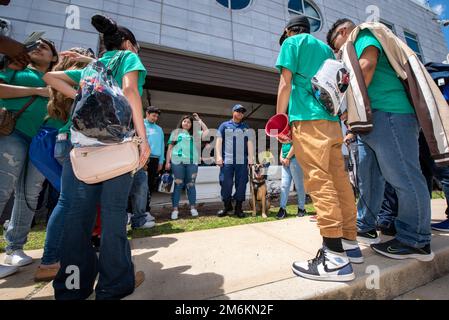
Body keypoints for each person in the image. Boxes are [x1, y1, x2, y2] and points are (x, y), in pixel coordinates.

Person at [43, 14, 150, 300]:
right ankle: (113, 286)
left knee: (78, 219)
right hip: (116, 147)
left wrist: (80, 92)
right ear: (128, 43)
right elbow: (129, 91)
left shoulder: (93, 69)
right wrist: (143, 138)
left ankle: (72, 288)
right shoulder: (130, 58)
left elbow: (49, 76)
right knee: (114, 216)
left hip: (83, 148)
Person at [328, 19, 434, 261]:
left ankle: (416, 239)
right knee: (369, 178)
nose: (338, 53)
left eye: (337, 46)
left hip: (391, 114)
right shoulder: (354, 40)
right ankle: (365, 225)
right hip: (369, 120)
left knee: (404, 176)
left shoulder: (362, 33)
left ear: (343, 32)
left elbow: (366, 66)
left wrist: (340, 99)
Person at [276, 16, 361, 282]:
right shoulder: (326, 49)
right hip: (332, 123)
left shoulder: (292, 43)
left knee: (319, 181)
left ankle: (334, 257)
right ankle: (349, 243)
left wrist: (280, 120)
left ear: (289, 31)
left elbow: (286, 83)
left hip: (308, 120)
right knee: (340, 182)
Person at [34, 47, 96, 282]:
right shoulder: (85, 81)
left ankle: (65, 256)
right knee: (69, 202)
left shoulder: (62, 84)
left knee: (71, 202)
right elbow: (107, 70)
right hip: (75, 143)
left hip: (63, 142)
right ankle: (50, 261)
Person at [0, 38, 58, 273]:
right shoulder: (16, 69)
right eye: (36, 45)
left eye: (46, 47)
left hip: (41, 143)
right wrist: (37, 90)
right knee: (3, 189)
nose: (39, 47)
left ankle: (15, 248)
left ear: (54, 57)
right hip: (14, 134)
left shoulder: (57, 79)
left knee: (29, 194)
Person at [165, 113, 209, 220]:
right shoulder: (175, 133)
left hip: (192, 162)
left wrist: (199, 120)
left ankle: (193, 208)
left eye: (189, 122)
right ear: (181, 123)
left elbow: (207, 132)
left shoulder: (195, 134)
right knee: (178, 185)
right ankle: (175, 209)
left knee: (191, 184)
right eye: (184, 121)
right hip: (177, 162)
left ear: (191, 125)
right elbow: (170, 148)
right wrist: (167, 162)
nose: (186, 123)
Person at [216, 104, 255, 219]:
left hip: (241, 160)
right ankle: (227, 206)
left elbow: (250, 143)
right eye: (238, 111)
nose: (240, 113)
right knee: (225, 183)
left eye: (242, 112)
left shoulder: (246, 127)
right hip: (227, 159)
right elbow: (219, 141)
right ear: (233, 112)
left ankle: (238, 208)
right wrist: (218, 156)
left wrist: (251, 158)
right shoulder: (224, 125)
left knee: (241, 184)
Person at [144, 106, 164, 217]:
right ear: (147, 114)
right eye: (153, 115)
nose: (155, 118)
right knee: (137, 186)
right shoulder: (140, 124)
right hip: (142, 159)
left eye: (157, 116)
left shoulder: (159, 129)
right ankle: (130, 212)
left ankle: (146, 210)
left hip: (155, 160)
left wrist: (161, 161)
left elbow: (161, 145)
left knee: (150, 186)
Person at [276, 143, 307, 219]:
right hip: (285, 160)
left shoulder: (295, 130)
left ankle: (301, 209)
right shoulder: (284, 132)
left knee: (299, 185)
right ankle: (282, 209)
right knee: (284, 185)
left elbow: (296, 144)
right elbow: (283, 145)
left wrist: (287, 157)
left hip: (294, 158)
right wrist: (281, 157)